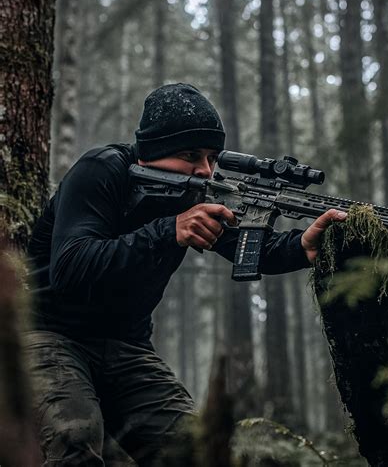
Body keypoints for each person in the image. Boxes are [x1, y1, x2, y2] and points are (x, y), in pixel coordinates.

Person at [26, 83, 347, 465]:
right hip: (48, 335)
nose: (205, 170)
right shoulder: (101, 171)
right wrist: (167, 231)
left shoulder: (194, 191)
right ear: (151, 153)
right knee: (74, 440)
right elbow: (71, 268)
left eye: (212, 157)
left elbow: (245, 247)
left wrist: (300, 247)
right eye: (190, 155)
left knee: (199, 452)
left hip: (127, 348)